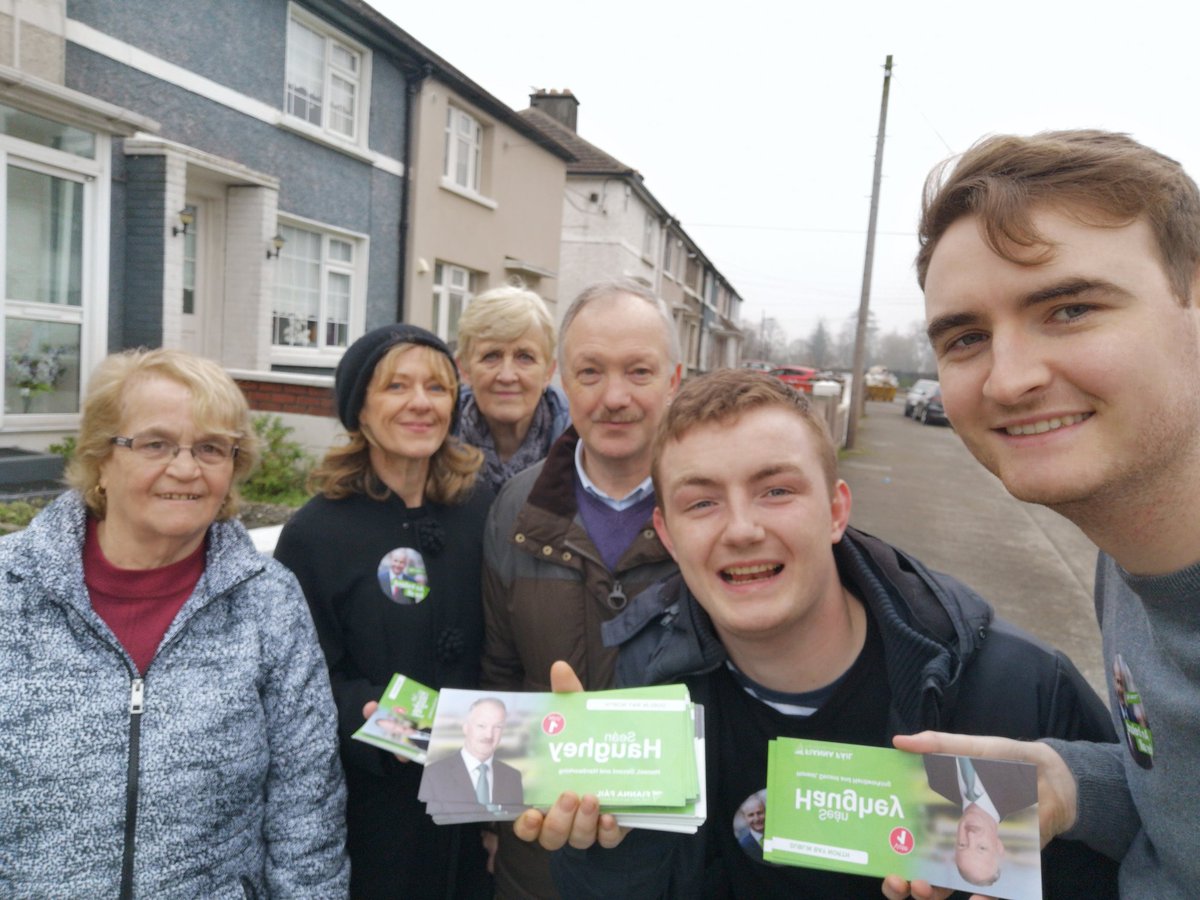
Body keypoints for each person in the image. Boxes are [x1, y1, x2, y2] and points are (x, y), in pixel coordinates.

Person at [516, 369, 1117, 898]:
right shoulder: (646, 680)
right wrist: (605, 844)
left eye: (776, 491)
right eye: (701, 504)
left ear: (835, 510)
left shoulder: (1014, 690)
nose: (742, 529)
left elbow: (1131, 862)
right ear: (667, 536)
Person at [883, 129, 1200, 900]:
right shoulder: (1126, 558)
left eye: (1070, 309)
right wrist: (1063, 783)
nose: (1009, 379)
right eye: (966, 338)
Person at [0, 348, 348, 897]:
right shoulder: (10, 588)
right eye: (155, 443)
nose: (186, 469)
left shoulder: (269, 601)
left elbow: (306, 812)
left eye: (211, 448)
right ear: (101, 458)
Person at [274, 324, 493, 900]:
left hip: (481, 794)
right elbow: (303, 680)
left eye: (437, 388)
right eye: (396, 386)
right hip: (376, 811)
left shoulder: (484, 512)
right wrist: (392, 723)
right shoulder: (316, 533)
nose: (420, 403)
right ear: (360, 411)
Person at [481, 279, 683, 898]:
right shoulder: (514, 509)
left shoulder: (711, 508)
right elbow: (499, 673)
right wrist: (496, 817)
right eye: (590, 372)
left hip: (675, 850)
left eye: (639, 371)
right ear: (564, 382)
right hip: (543, 850)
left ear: (674, 379)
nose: (614, 397)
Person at [455, 285, 570, 493]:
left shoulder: (585, 450)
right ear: (465, 369)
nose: (507, 376)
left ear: (548, 372)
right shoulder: (431, 447)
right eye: (491, 356)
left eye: (525, 357)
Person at [923, 755, 1036, 887]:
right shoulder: (1028, 788)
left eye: (962, 845)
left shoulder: (937, 782)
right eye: (981, 847)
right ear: (999, 847)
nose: (970, 835)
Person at [422, 697, 524, 810]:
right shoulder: (434, 773)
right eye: (481, 725)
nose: (489, 735)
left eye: (497, 727)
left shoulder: (513, 776)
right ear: (465, 728)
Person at [735, 792, 767, 860]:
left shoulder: (778, 837)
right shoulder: (743, 845)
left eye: (759, 813)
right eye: (751, 815)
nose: (757, 819)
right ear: (744, 818)